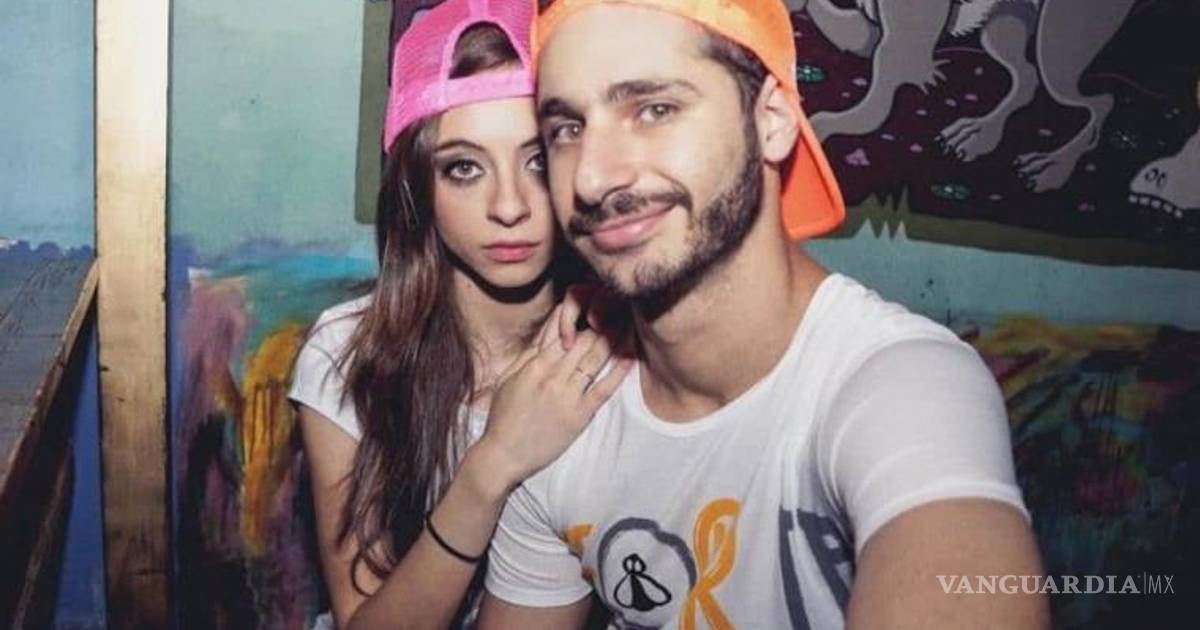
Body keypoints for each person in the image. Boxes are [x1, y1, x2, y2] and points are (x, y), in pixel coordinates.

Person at [477, 0, 1050, 628]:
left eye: (654, 109)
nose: (591, 178)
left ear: (772, 121)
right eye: (566, 130)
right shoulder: (557, 410)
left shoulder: (903, 383)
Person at [288, 0, 630, 627]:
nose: (509, 206)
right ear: (418, 188)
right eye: (464, 168)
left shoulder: (624, 353)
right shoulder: (348, 353)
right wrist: (492, 464)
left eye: (537, 160)